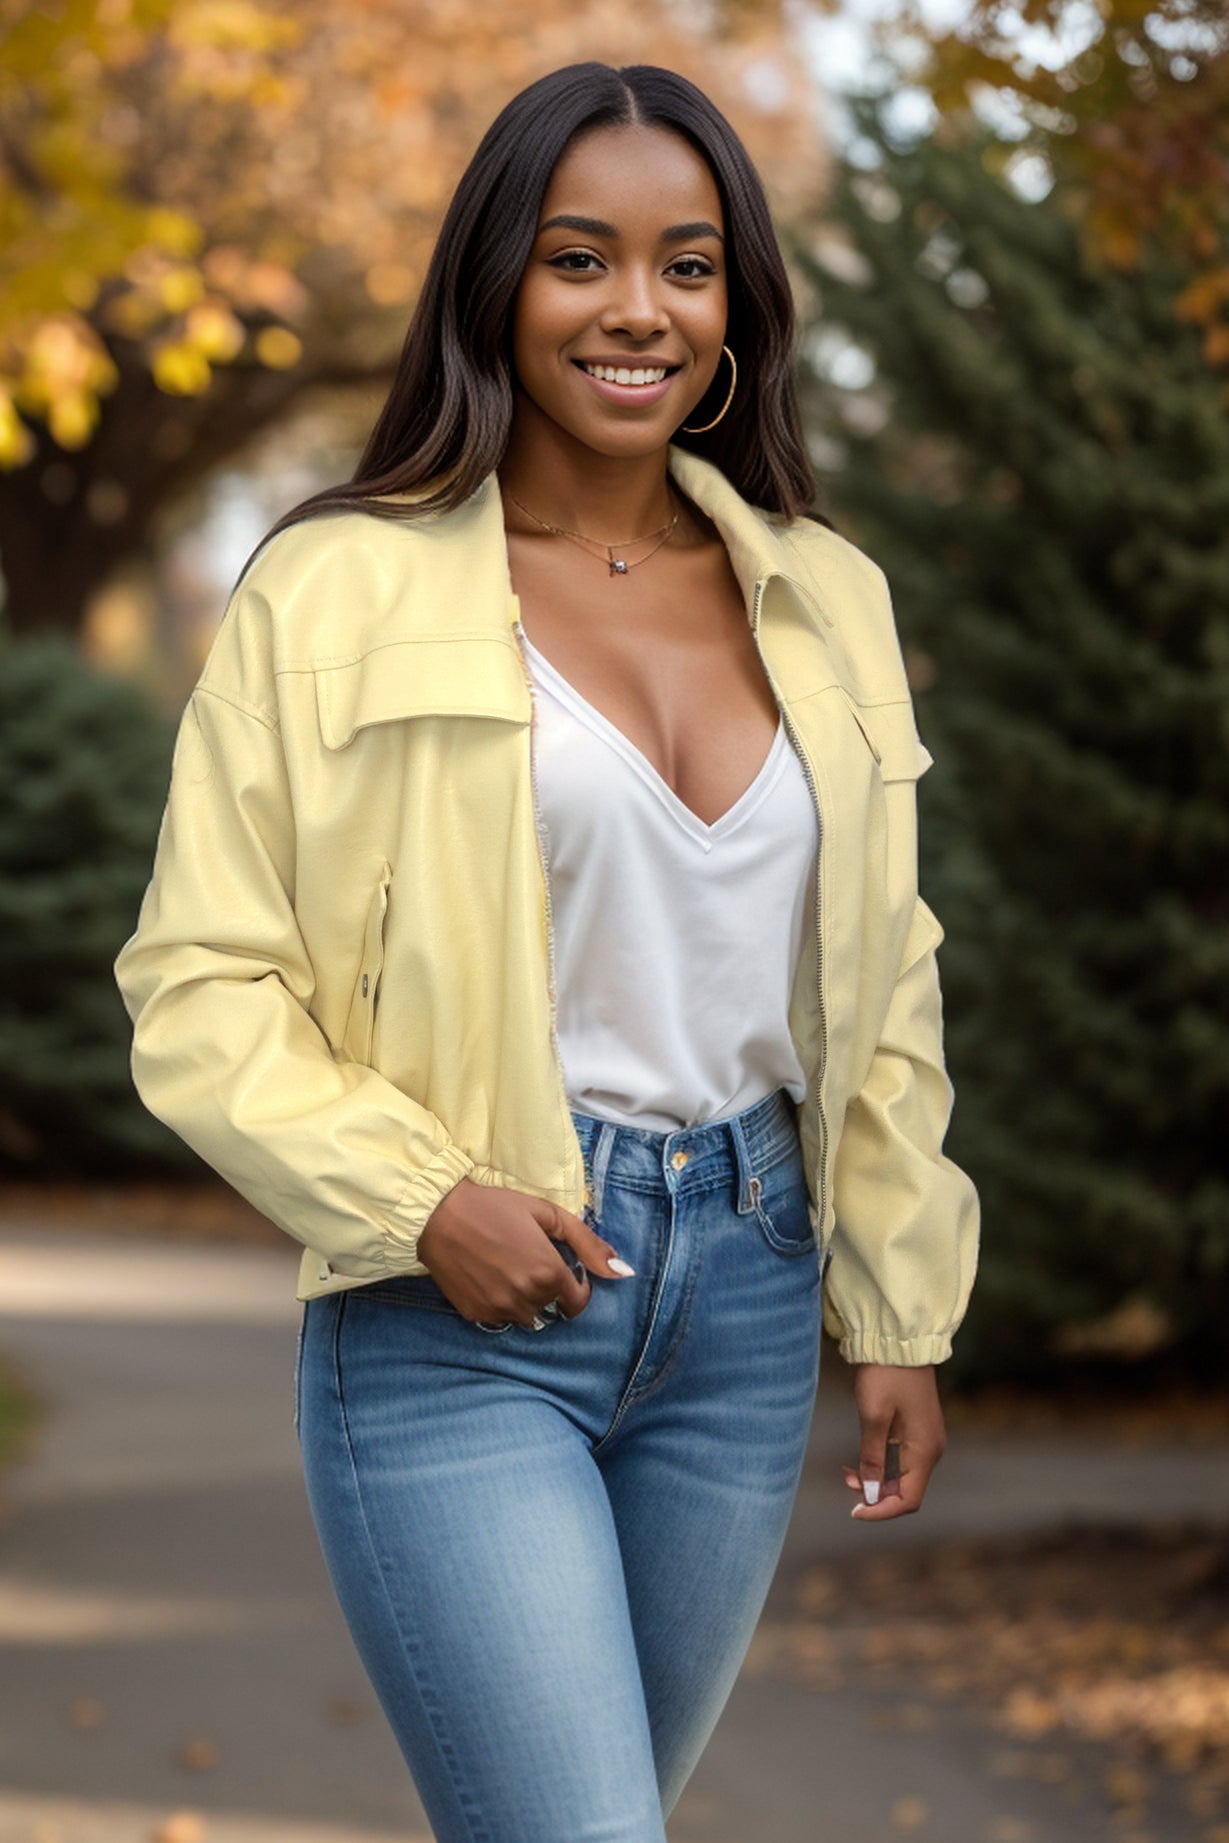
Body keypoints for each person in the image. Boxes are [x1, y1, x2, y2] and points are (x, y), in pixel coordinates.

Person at [114, 60, 979, 1843]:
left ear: (736, 304)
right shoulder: (333, 587)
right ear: (498, 279)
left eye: (687, 262)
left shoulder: (829, 595)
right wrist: (424, 1197)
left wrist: (899, 1303)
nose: (635, 309)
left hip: (746, 1300)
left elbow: (883, 990)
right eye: (580, 257)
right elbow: (198, 987)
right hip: (460, 1311)